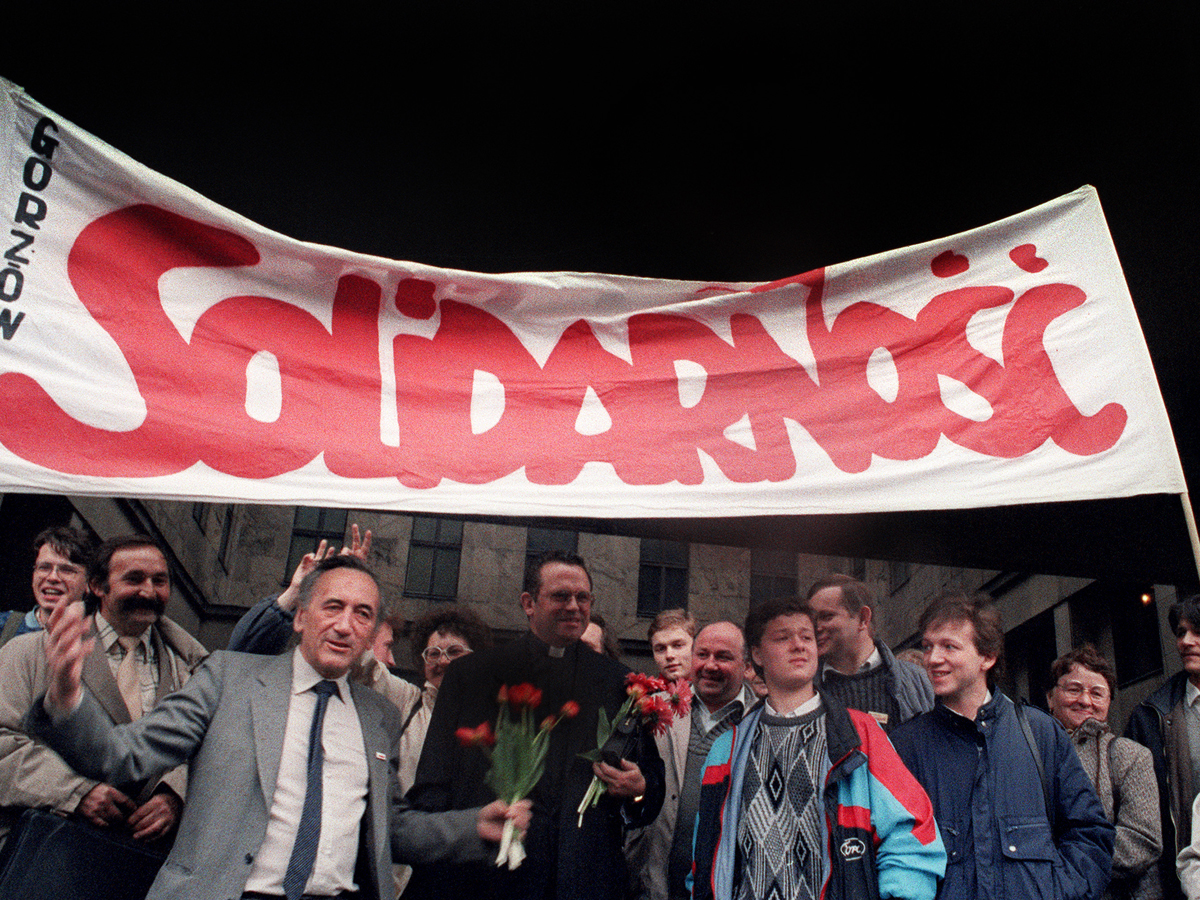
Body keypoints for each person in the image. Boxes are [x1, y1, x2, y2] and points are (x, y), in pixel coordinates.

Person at [26, 554, 529, 900]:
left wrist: (470, 827)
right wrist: (67, 699)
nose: (345, 625)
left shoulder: (379, 716)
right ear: (301, 617)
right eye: (332, 607)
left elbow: (387, 828)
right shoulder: (228, 678)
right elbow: (123, 756)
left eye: (362, 615)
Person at [407, 550, 664, 900]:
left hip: (583, 883)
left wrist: (639, 788)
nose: (574, 606)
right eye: (561, 596)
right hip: (487, 882)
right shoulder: (470, 675)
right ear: (529, 603)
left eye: (583, 597)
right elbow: (432, 787)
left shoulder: (620, 683)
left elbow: (650, 786)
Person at [691, 597, 946, 900]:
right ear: (757, 654)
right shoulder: (725, 750)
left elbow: (912, 832)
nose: (799, 645)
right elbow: (704, 860)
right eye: (783, 637)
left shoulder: (862, 735)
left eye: (807, 637)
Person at [891, 592, 1114, 900]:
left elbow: (1089, 833)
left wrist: (1058, 892)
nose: (932, 658)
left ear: (987, 657)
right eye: (928, 646)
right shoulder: (906, 745)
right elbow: (893, 853)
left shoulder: (1040, 732)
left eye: (949, 646)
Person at [0, 534, 207, 846]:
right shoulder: (28, 653)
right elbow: (4, 743)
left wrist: (174, 795)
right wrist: (76, 792)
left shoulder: (189, 673)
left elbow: (203, 751)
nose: (148, 591)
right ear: (97, 586)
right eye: (134, 579)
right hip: (39, 846)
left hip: (136, 857)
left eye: (159, 581)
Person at [632, 620, 757, 900]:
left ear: (747, 666)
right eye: (702, 655)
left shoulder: (762, 722)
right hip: (656, 884)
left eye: (723, 657)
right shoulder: (653, 710)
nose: (710, 665)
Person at [1046, 645, 1161, 900]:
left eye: (1097, 693)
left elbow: (1142, 840)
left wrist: (1063, 865)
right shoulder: (1028, 754)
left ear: (1109, 702)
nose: (1085, 700)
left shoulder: (1131, 756)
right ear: (1050, 698)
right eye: (1074, 689)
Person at [1127, 593, 1200, 900]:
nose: (1186, 642)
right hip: (1183, 881)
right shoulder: (1149, 717)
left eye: (1197, 631)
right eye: (1181, 632)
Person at [806, 573, 933, 732]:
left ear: (863, 618)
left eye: (826, 616)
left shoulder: (917, 681)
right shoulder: (806, 689)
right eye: (812, 620)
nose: (816, 627)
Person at [0, 526, 92, 647]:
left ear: (89, 583)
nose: (53, 577)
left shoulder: (96, 645)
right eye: (44, 567)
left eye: (66, 570)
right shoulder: (4, 625)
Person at [647, 608, 695, 681]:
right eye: (661, 649)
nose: (669, 655)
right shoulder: (644, 688)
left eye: (678, 645)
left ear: (695, 647)